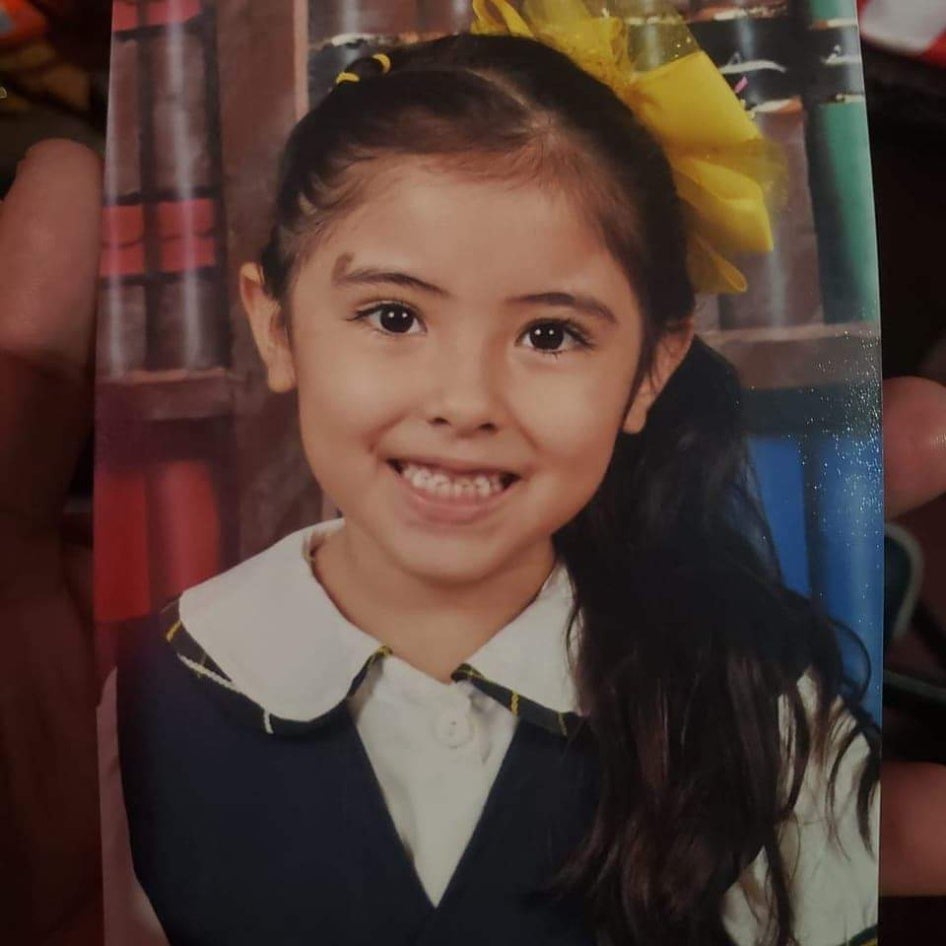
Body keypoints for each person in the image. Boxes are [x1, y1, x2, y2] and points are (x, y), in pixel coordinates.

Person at [2, 15, 946, 946]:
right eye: (393, 315)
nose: (464, 401)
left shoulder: (759, 709)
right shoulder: (154, 693)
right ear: (278, 324)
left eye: (550, 335)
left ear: (649, 372)